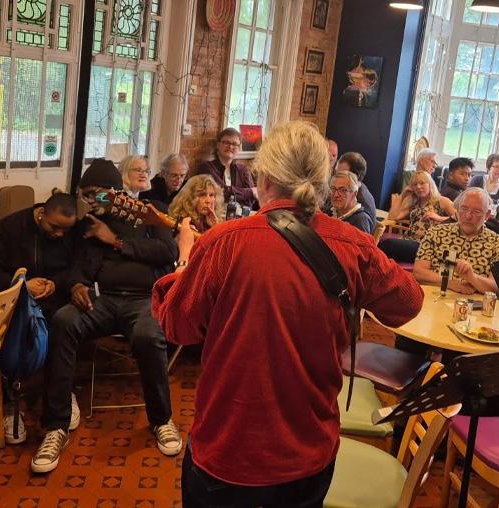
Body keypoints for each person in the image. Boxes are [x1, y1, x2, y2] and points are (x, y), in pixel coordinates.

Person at [152, 121, 423, 506]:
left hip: (230, 449)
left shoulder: (224, 242)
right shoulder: (353, 245)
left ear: (263, 178)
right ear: (323, 181)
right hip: (308, 451)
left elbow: (177, 326)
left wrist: (183, 259)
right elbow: (408, 303)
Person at [30, 159, 181, 474]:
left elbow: (169, 254)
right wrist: (76, 285)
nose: (89, 201)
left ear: (115, 192)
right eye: (85, 195)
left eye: (97, 194)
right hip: (102, 299)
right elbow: (76, 265)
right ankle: (55, 426)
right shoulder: (87, 224)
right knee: (63, 321)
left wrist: (115, 240)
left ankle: (162, 420)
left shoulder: (151, 211)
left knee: (147, 335)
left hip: (143, 300)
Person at [0, 192, 79, 445]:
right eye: (54, 227)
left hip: (54, 297)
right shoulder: (9, 228)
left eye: (65, 229)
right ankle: (9, 402)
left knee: (65, 325)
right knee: (6, 331)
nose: (60, 234)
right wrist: (22, 284)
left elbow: (75, 268)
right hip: (14, 297)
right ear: (42, 214)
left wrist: (56, 283)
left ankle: (62, 392)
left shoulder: (71, 233)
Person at [414, 188, 499, 294]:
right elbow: (418, 273)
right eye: (464, 209)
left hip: (474, 305)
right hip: (433, 297)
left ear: (487, 215)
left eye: (476, 212)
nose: (468, 216)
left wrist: (472, 277)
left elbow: (497, 288)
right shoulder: (436, 232)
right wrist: (451, 283)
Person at [381, 171, 455, 263]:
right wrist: (402, 195)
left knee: (388, 245)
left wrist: (438, 218)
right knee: (384, 249)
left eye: (422, 183)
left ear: (430, 184)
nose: (418, 187)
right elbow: (393, 217)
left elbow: (459, 219)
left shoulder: (442, 201)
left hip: (426, 246)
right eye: (415, 185)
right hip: (409, 240)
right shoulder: (414, 203)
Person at [196, 128, 257, 208]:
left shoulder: (243, 170)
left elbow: (252, 198)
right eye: (226, 142)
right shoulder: (206, 168)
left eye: (235, 144)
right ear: (218, 145)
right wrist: (250, 192)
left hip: (240, 216)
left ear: (239, 148)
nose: (230, 146)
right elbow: (222, 192)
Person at [335, 151, 376, 222]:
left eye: (342, 174)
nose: (336, 177)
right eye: (336, 173)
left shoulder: (361, 203)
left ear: (356, 176)